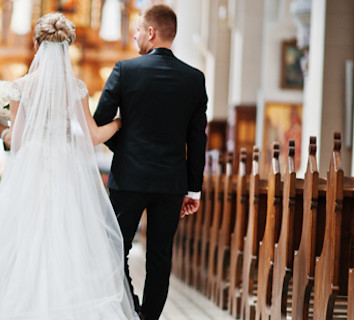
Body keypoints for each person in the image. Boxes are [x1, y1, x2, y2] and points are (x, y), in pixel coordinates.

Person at [0, 12, 139, 320]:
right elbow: (95, 136)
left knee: (29, 232)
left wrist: (0, 128)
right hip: (67, 168)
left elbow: (15, 140)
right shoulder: (77, 87)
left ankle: (25, 301)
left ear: (37, 45)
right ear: (66, 47)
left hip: (33, 167)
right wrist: (122, 122)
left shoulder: (21, 86)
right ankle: (66, 301)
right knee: (67, 233)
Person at [92, 4, 208, 320]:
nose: (135, 35)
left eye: (138, 30)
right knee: (160, 256)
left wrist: (126, 147)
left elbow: (100, 121)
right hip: (171, 183)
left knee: (115, 249)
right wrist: (193, 190)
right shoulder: (194, 79)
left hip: (129, 178)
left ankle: (132, 308)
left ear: (151, 33)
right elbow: (197, 139)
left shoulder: (125, 70)